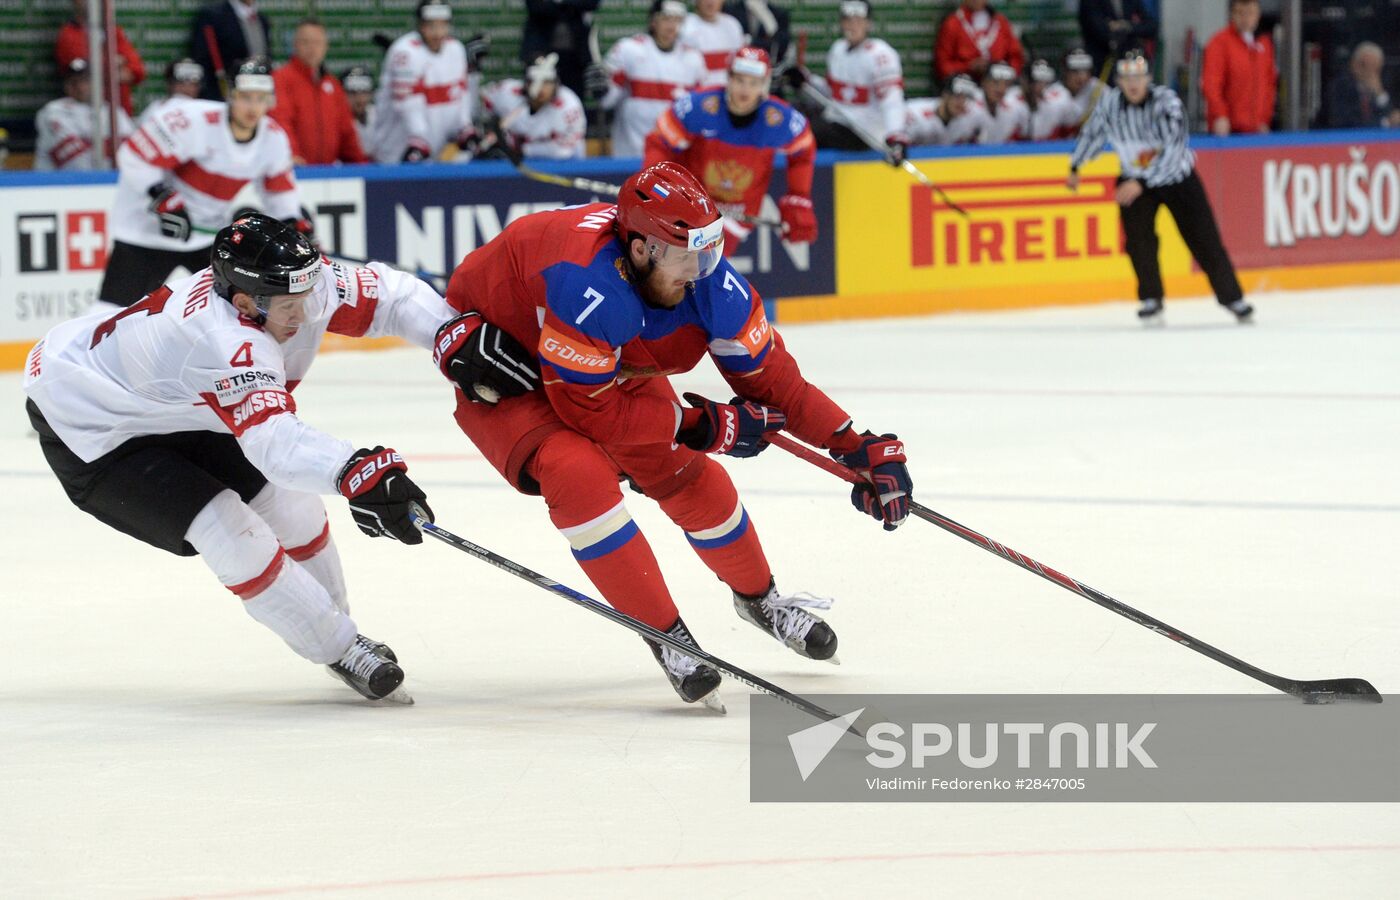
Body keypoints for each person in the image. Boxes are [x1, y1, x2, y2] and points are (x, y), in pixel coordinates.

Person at [434, 162, 913, 707]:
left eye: (711, 250)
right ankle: (666, 634)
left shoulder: (703, 280)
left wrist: (854, 446)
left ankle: (761, 600)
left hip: (596, 359)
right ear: (640, 250)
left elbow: (776, 382)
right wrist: (702, 425)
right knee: (577, 473)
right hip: (504, 359)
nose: (703, 269)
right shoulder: (589, 284)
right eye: (690, 256)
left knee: (688, 475)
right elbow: (590, 413)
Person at [22, 214, 456, 701]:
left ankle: (341, 635)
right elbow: (274, 444)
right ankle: (339, 646)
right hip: (90, 427)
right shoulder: (221, 343)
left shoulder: (299, 285)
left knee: (294, 508)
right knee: (230, 530)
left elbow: (393, 296)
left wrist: (453, 335)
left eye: (307, 296)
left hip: (172, 405)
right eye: (290, 306)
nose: (306, 314)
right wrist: (354, 470)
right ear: (245, 302)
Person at [99, 58, 308, 308]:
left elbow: (279, 193)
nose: (253, 107)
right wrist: (163, 198)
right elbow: (134, 155)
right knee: (110, 315)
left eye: (261, 98)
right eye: (246, 97)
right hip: (147, 232)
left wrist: (291, 225)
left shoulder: (273, 139)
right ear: (230, 95)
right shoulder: (191, 121)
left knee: (234, 311)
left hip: (207, 238)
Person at [1067, 51, 1252, 324]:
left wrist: (1141, 181)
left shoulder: (1166, 102)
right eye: (1127, 77)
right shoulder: (1110, 104)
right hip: (1134, 180)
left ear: (1148, 79)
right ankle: (1151, 299)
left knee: (1204, 240)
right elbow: (1093, 133)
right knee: (1139, 242)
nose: (1133, 83)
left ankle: (1233, 298)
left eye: (1138, 77)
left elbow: (1174, 149)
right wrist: (1076, 165)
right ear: (1119, 80)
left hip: (1177, 179)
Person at [644, 47, 816, 252]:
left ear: (765, 85)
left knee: (701, 272)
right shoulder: (698, 106)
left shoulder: (780, 120)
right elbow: (659, 142)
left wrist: (798, 198)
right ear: (729, 78)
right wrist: (654, 183)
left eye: (754, 83)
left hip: (737, 215)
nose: (745, 90)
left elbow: (803, 152)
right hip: (690, 206)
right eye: (740, 80)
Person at [370, 0, 474, 163]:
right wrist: (420, 137)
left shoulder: (456, 49)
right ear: (420, 26)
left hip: (432, 151)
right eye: (431, 26)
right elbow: (408, 106)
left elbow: (459, 95)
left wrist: (465, 128)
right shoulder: (404, 52)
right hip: (397, 151)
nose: (438, 33)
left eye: (443, 25)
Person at [803, 0, 908, 159]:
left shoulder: (881, 55)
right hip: (837, 120)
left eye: (859, 20)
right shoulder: (837, 49)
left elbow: (892, 100)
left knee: (807, 133)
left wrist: (896, 136)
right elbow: (832, 92)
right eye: (847, 20)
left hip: (864, 133)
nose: (852, 25)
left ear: (868, 24)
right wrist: (805, 79)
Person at [601, 0, 706, 157]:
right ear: (653, 22)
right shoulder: (629, 50)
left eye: (677, 20)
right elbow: (607, 101)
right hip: (630, 153)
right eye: (665, 19)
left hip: (673, 155)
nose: (671, 26)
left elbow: (698, 110)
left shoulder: (693, 59)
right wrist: (601, 90)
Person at [269, 19, 369, 165]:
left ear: (325, 46)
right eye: (306, 42)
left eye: (317, 42)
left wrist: (360, 165)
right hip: (293, 171)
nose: (312, 48)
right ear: (295, 45)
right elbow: (280, 122)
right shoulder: (281, 79)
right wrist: (292, 155)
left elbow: (346, 131)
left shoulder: (332, 84)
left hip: (326, 174)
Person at [478, 54, 587, 160]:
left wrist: (520, 149)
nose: (541, 88)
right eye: (534, 81)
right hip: (513, 166)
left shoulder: (569, 106)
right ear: (525, 82)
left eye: (547, 82)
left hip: (563, 168)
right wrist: (488, 134)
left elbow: (563, 151)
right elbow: (478, 106)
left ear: (556, 83)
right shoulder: (505, 92)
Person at [35, 59, 135, 171]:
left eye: (86, 80)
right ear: (66, 86)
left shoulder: (113, 111)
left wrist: (91, 146)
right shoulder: (53, 111)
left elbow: (131, 154)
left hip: (107, 183)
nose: (80, 87)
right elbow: (77, 163)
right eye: (73, 82)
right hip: (59, 184)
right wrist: (107, 147)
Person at [55, 0, 145, 116]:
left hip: (120, 116)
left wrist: (106, 68)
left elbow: (138, 71)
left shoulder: (112, 31)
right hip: (84, 116)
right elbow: (87, 73)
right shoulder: (68, 34)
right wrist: (115, 64)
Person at [1200, 0, 1276, 136]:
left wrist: (1265, 118)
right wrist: (1220, 115)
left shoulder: (1264, 43)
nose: (1246, 19)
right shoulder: (1219, 43)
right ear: (1232, 15)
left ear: (1258, 15)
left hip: (1257, 128)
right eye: (1241, 13)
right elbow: (1211, 84)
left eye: (1250, 13)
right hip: (1228, 128)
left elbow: (1269, 83)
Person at [189, 0, 270, 101]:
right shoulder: (212, 16)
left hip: (255, 96)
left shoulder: (262, 20)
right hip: (221, 97)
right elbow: (201, 58)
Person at [521, 0, 601, 102]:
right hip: (540, 53)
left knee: (574, 99)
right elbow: (537, 7)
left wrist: (559, 2)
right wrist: (567, 6)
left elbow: (590, 3)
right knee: (537, 97)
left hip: (575, 56)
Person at [933, 0, 1024, 83]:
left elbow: (1016, 57)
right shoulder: (952, 24)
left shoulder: (1000, 22)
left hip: (1000, 87)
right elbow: (942, 65)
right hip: (964, 88)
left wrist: (1004, 74)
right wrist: (968, 67)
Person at [1320, 42, 1400, 129]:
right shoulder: (1340, 87)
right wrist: (1385, 123)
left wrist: (1379, 93)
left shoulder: (1385, 84)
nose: (1370, 71)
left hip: (1380, 140)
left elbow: (1391, 115)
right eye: (1364, 65)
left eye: (1375, 67)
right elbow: (1345, 122)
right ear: (1354, 64)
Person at [1077, 0, 1157, 75]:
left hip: (1129, 61)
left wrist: (1127, 26)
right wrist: (1126, 29)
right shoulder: (1090, 2)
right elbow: (1098, 30)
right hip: (1102, 64)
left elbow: (1151, 27)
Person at [681, 0, 747, 88]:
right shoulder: (685, 26)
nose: (710, 2)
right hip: (699, 94)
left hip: (729, 95)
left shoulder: (732, 25)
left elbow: (741, 66)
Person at [904, 74, 983, 145]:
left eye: (966, 98)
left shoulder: (971, 117)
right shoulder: (916, 114)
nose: (962, 102)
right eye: (958, 96)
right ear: (945, 95)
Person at [1023, 59, 1082, 140]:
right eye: (1035, 81)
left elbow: (1073, 129)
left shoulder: (1062, 97)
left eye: (1043, 80)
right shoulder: (1012, 100)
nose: (1039, 85)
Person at [973, 62, 1027, 144]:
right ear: (983, 82)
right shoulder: (969, 105)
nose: (1001, 89)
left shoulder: (1013, 108)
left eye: (1006, 84)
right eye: (995, 82)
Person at [140, 59, 206, 126]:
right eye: (181, 82)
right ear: (169, 84)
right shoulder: (155, 111)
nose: (187, 88)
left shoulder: (205, 113)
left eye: (193, 83)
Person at [342, 67, 379, 158]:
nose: (359, 99)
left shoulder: (379, 116)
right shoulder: (336, 121)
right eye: (353, 93)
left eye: (364, 92)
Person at [1062, 47, 1103, 123]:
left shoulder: (1099, 90)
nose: (1081, 77)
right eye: (1075, 71)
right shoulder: (1055, 95)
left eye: (1085, 70)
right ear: (1065, 72)